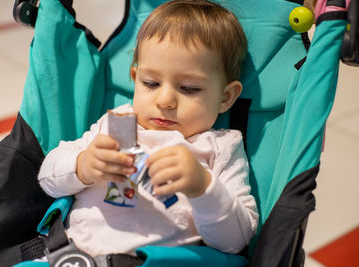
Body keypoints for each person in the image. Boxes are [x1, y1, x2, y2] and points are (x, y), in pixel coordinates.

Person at [38, 0, 258, 258]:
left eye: (189, 88)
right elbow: (47, 178)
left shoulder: (219, 148)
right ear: (135, 79)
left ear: (225, 97)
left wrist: (203, 187)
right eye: (151, 83)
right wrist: (82, 166)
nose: (164, 101)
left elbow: (237, 240)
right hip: (71, 256)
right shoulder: (118, 124)